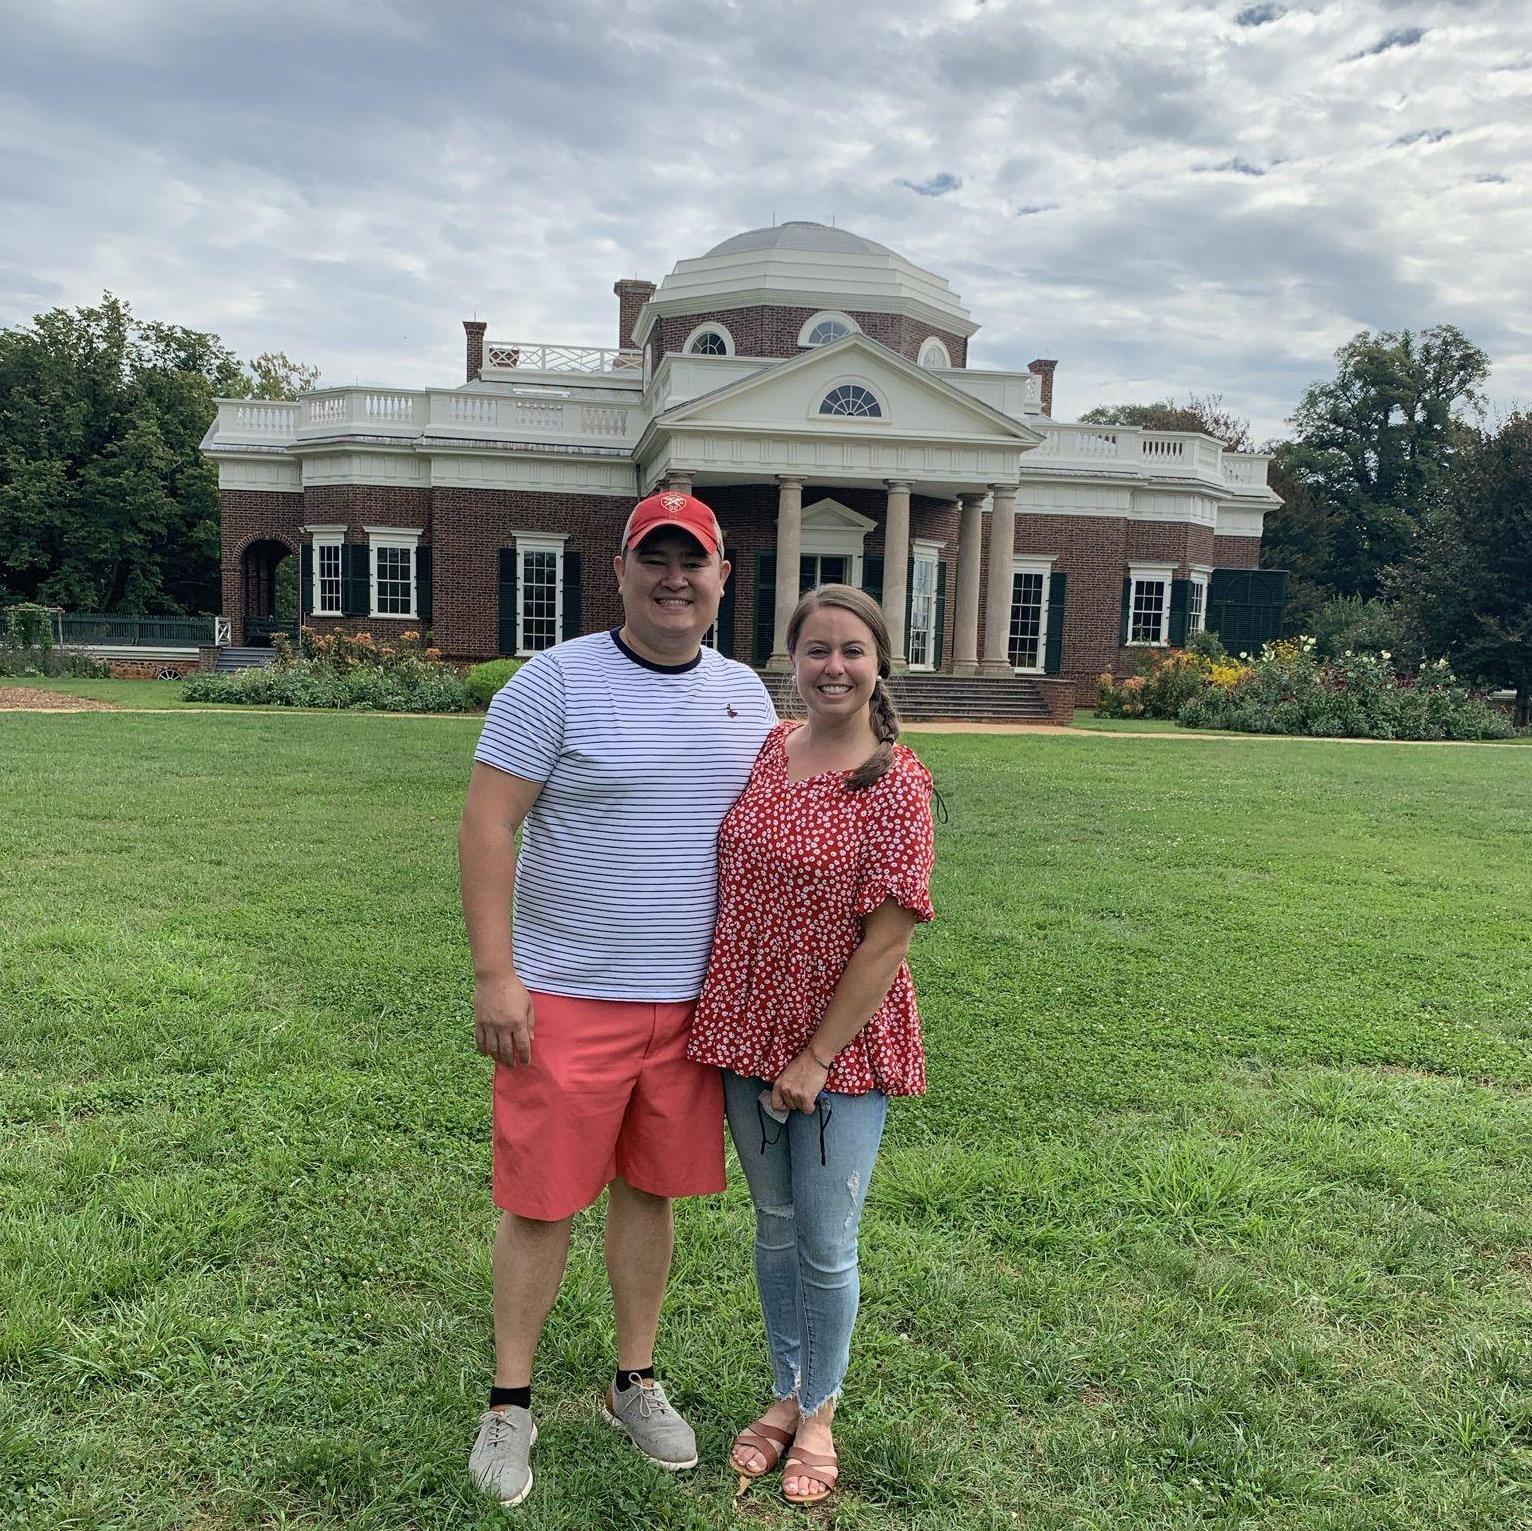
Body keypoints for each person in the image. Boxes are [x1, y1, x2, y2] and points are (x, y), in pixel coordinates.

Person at [458, 490, 776, 1509]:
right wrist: (494, 974)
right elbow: (486, 827)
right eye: (656, 558)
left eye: (695, 561)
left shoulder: (746, 695)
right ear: (622, 569)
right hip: (566, 995)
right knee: (541, 1199)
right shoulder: (553, 683)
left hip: (690, 1007)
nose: (674, 577)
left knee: (652, 1190)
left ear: (723, 578)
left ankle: (633, 1379)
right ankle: (510, 1401)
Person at [686, 583, 936, 1507]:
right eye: (817, 650)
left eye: (853, 651)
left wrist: (815, 1058)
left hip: (840, 1047)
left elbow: (890, 938)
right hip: (746, 1027)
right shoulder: (768, 750)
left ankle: (820, 1411)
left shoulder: (897, 780)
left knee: (827, 1243)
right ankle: (785, 1390)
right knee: (776, 1226)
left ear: (879, 665)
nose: (834, 666)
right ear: (793, 660)